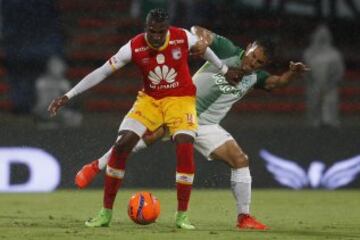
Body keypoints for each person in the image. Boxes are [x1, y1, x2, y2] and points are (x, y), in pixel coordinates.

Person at [75, 26, 310, 230]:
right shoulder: (226, 50)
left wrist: (293, 73)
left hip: (207, 125)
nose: (252, 63)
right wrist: (203, 41)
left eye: (259, 62)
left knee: (240, 160)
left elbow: (278, 82)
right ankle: (97, 165)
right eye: (252, 56)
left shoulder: (254, 77)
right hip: (180, 107)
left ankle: (244, 217)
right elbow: (197, 30)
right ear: (247, 47)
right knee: (145, 137)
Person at [48, 9, 238, 229]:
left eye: (160, 32)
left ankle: (182, 216)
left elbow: (204, 51)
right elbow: (102, 72)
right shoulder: (134, 46)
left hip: (181, 98)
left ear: (167, 29)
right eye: (151, 31)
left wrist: (224, 70)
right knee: (122, 145)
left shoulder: (182, 36)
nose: (156, 37)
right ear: (145, 28)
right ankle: (105, 213)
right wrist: (68, 95)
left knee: (184, 144)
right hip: (150, 100)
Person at [304, 24, 344, 127]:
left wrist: (332, 82)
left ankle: (330, 120)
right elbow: (305, 69)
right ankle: (315, 120)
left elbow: (338, 70)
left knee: (330, 103)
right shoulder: (309, 53)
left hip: (330, 85)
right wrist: (311, 80)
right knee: (314, 103)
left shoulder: (334, 54)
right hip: (314, 84)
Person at [33, 55, 82, 128]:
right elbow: (37, 100)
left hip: (58, 112)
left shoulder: (63, 83)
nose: (59, 69)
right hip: (43, 110)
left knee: (77, 118)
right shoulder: (41, 82)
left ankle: (52, 124)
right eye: (55, 67)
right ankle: (46, 123)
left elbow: (70, 101)